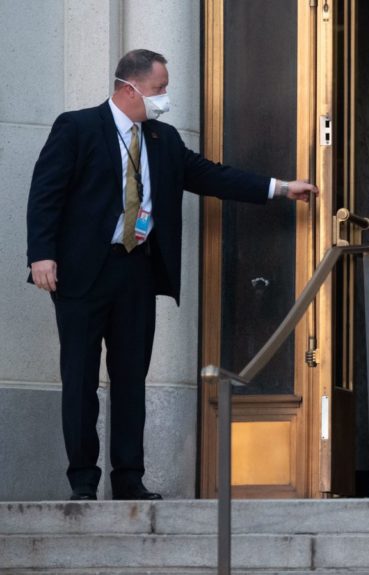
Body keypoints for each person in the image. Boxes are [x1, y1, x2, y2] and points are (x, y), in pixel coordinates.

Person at [25, 49, 317, 501]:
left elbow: (211, 176)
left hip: (137, 272)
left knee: (130, 380)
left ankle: (129, 479)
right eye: (160, 89)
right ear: (130, 87)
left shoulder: (162, 139)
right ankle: (83, 481)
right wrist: (41, 255)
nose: (165, 98)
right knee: (80, 379)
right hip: (82, 275)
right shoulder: (78, 127)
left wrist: (279, 188)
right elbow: (46, 193)